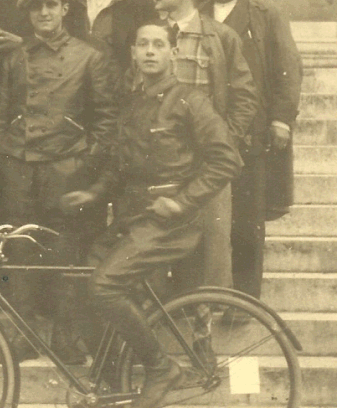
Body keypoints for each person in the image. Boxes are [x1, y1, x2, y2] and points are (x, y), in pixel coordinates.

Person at [62, 21, 243, 408]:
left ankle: (161, 369)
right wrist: (93, 194)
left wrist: (182, 201)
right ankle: (110, 383)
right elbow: (118, 168)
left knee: (104, 287)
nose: (149, 51)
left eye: (158, 44)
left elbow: (226, 160)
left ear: (173, 53)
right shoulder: (134, 103)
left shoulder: (190, 101)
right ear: (133, 53)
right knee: (83, 286)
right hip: (133, 220)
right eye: (142, 44)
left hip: (169, 224)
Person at [0, 0, 120, 364]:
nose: (44, 13)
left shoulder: (89, 56)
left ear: (64, 9)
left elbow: (107, 121)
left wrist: (85, 164)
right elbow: (0, 117)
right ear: (28, 14)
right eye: (36, 7)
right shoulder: (16, 57)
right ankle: (23, 336)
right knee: (19, 254)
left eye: (52, 5)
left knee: (67, 256)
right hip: (19, 169)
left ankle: (65, 337)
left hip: (66, 171)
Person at [197, 0, 302, 299]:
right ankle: (204, 298)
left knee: (246, 222)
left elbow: (288, 68)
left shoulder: (265, 13)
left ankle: (243, 299)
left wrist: (282, 119)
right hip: (203, 132)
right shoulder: (196, 10)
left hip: (250, 134)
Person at [148, 0, 258, 292]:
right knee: (152, 250)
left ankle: (206, 334)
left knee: (213, 251)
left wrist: (225, 141)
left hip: (207, 165)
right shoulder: (151, 37)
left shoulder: (219, 37)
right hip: (161, 162)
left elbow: (245, 96)